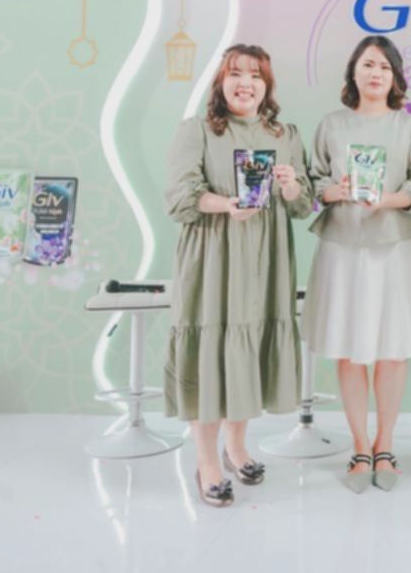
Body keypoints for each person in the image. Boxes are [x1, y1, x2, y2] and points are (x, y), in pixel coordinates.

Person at [163, 44, 313, 507]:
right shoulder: (198, 131)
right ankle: (207, 460)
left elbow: (304, 205)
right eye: (235, 74)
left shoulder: (284, 134)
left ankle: (236, 446)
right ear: (220, 82)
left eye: (255, 75)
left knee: (248, 346)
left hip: (266, 259)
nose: (245, 83)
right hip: (214, 255)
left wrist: (291, 185)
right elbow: (180, 197)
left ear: (267, 85)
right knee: (212, 350)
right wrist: (226, 205)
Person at [303, 35, 411, 493]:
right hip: (342, 248)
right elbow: (313, 182)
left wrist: (386, 200)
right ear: (353, 73)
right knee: (348, 348)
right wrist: (333, 191)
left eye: (384, 66)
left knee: (392, 351)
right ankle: (360, 446)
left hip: (393, 248)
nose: (375, 73)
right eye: (367, 65)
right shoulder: (331, 125)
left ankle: (385, 445)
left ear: (395, 76)